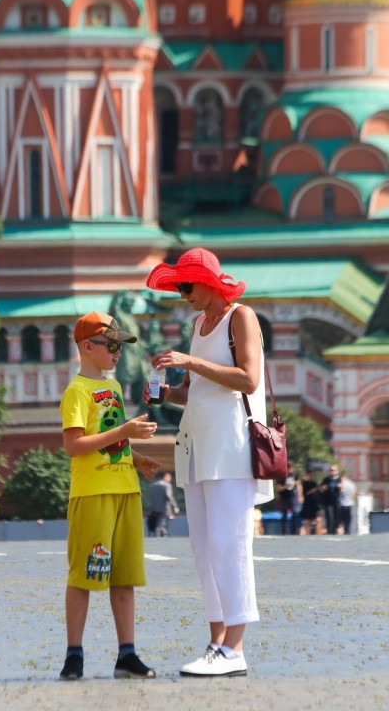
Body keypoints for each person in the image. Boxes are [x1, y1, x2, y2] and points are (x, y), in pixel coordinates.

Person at [146, 248, 276, 678]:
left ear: (208, 282)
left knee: (230, 544)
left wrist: (189, 361)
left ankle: (235, 648)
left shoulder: (243, 317)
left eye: (187, 285)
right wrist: (166, 392)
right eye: (178, 286)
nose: (182, 294)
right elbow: (197, 390)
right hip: (198, 447)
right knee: (204, 553)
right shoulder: (200, 325)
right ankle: (216, 643)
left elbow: (248, 378)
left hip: (233, 447)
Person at [58, 311, 161, 681]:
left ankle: (127, 655)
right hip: (93, 493)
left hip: (125, 491)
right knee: (85, 576)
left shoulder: (115, 389)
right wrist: (128, 429)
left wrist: (137, 458)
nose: (117, 353)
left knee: (124, 578)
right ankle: (74, 655)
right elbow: (74, 445)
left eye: (120, 347)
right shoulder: (77, 391)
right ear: (88, 346)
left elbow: (111, 441)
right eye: (111, 346)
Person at [148, 472, 179, 537]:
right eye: (169, 477)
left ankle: (158, 535)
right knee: (161, 523)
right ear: (165, 477)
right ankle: (160, 537)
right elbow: (169, 496)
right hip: (164, 508)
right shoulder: (167, 485)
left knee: (157, 523)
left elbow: (151, 496)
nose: (170, 479)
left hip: (154, 508)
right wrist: (175, 506)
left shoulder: (154, 485)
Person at [277, 470, 303, 535]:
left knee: (295, 514)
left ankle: (293, 531)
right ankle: (284, 531)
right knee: (284, 515)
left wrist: (300, 496)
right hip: (284, 498)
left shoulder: (294, 475)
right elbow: (278, 488)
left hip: (293, 497)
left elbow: (299, 485)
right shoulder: (281, 476)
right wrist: (286, 486)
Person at [320, 465, 342, 534]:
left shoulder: (339, 479)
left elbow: (341, 491)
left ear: (337, 471)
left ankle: (335, 529)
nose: (331, 472)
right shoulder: (326, 479)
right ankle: (329, 529)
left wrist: (340, 488)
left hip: (336, 499)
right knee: (328, 515)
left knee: (336, 514)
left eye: (333, 470)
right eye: (330, 470)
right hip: (327, 499)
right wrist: (324, 488)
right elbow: (322, 488)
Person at [299, 470, 321, 535]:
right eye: (309, 475)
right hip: (307, 503)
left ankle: (317, 532)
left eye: (312, 475)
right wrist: (312, 491)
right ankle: (307, 533)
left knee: (317, 519)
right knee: (307, 519)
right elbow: (304, 493)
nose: (311, 477)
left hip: (314, 504)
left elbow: (318, 493)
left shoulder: (314, 483)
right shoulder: (304, 483)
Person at [337, 470, 357, 535]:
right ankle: (348, 532)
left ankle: (341, 532)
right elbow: (354, 495)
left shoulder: (341, 483)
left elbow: (340, 492)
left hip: (342, 504)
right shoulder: (352, 484)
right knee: (348, 521)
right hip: (350, 504)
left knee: (340, 520)